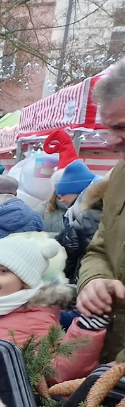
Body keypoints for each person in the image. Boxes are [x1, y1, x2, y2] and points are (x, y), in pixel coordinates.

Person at [0, 235, 106, 382]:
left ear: (25, 281)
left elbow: (56, 371)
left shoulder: (35, 317)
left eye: (3, 271)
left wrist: (87, 329)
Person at [77, 57, 125, 364]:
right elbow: (99, 249)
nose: (112, 141)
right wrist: (94, 280)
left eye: (122, 127)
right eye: (110, 128)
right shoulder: (120, 175)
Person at [58, 173, 105, 285]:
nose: (61, 200)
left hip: (86, 279)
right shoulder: (76, 214)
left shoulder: (86, 216)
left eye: (63, 195)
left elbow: (69, 251)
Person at [44, 159, 96, 236]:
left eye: (63, 194)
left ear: (76, 190)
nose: (61, 200)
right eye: (59, 197)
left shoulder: (91, 213)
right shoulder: (78, 213)